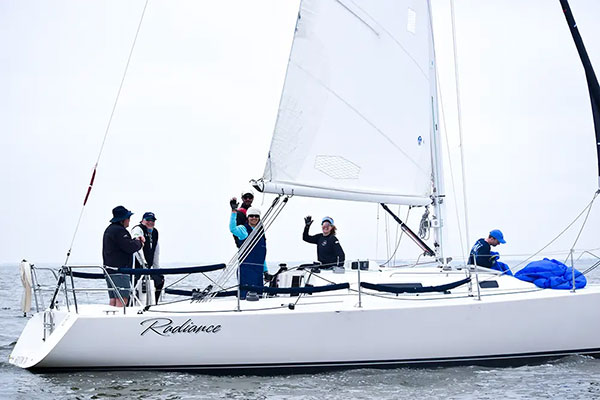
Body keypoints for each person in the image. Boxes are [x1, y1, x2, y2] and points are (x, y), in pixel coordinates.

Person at [102, 205, 144, 307]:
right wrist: (140, 243)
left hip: (109, 270)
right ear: (123, 219)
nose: (129, 220)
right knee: (122, 298)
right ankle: (118, 320)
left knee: (113, 298)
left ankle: (111, 319)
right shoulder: (120, 231)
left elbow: (123, 244)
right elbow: (129, 247)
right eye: (128, 218)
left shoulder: (109, 229)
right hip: (120, 271)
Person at [229, 204, 266, 299]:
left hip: (258, 271)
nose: (254, 218)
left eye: (256, 216)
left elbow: (261, 255)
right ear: (247, 217)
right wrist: (233, 211)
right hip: (246, 271)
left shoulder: (260, 233)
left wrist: (265, 270)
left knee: (259, 298)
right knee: (245, 298)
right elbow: (232, 229)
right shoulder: (243, 230)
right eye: (251, 216)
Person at [131, 212, 164, 303]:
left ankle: (155, 303)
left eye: (152, 220)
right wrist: (143, 263)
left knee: (159, 280)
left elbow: (156, 250)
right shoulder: (138, 229)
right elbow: (136, 247)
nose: (150, 222)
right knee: (136, 287)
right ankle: (131, 305)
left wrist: (156, 269)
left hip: (148, 267)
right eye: (148, 220)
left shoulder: (155, 232)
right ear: (142, 220)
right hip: (137, 267)